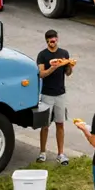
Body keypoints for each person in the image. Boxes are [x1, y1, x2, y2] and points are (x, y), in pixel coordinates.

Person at [36, 29, 72, 164]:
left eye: (54, 39)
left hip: (60, 93)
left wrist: (69, 65)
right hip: (46, 94)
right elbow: (41, 74)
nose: (52, 41)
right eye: (50, 39)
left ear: (57, 39)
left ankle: (61, 153)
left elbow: (68, 73)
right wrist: (53, 67)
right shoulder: (42, 55)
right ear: (47, 41)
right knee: (44, 125)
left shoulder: (64, 53)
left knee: (60, 123)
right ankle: (42, 152)